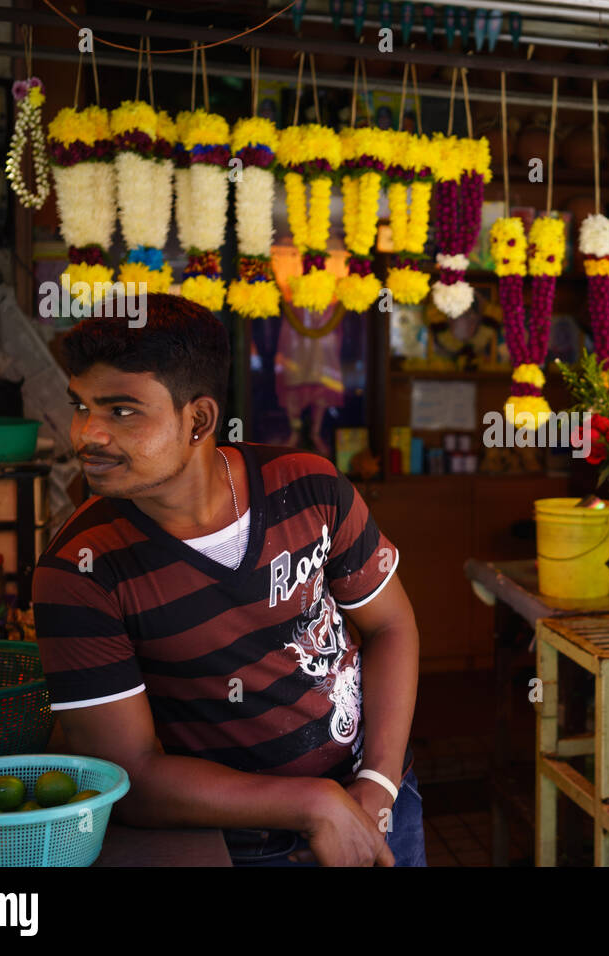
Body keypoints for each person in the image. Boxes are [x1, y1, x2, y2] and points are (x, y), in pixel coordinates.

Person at [32, 293, 422, 866]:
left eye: (121, 411)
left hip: (379, 806)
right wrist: (314, 803)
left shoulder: (310, 489)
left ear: (199, 420)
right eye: (81, 406)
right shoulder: (80, 570)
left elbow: (390, 626)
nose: (87, 434)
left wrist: (379, 785)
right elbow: (129, 777)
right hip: (234, 846)